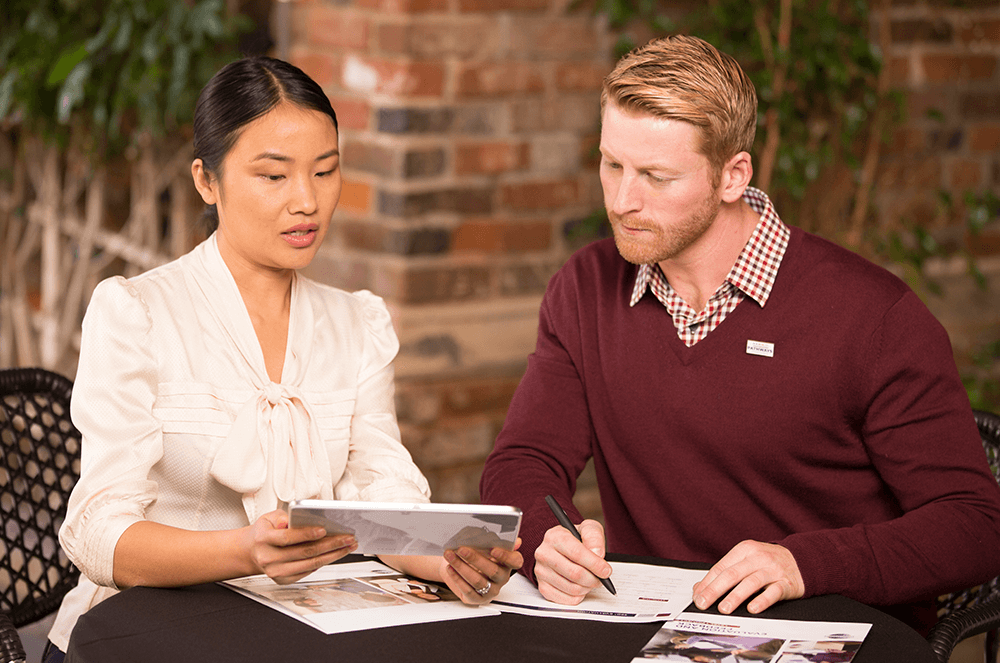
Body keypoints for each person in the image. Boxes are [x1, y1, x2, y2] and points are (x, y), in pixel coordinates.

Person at [479, 34, 1000, 636]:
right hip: (652, 627)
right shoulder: (585, 287)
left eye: (656, 176)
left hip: (835, 632)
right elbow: (524, 459)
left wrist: (801, 564)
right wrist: (550, 540)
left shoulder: (875, 318)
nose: (623, 200)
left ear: (733, 175)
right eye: (611, 164)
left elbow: (975, 526)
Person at [45, 56, 521, 661]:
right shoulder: (136, 311)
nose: (307, 201)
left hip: (298, 628)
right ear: (206, 181)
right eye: (274, 176)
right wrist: (244, 551)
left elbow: (379, 494)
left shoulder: (358, 323)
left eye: (325, 171)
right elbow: (97, 533)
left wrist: (447, 555)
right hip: (147, 635)